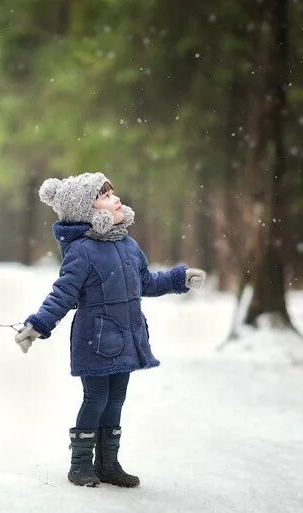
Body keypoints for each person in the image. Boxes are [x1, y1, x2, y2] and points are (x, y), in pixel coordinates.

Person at [15, 172, 206, 488]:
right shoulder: (82, 251)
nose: (116, 199)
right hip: (96, 340)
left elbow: (146, 282)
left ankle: (108, 464)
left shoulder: (129, 245)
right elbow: (63, 293)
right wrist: (39, 325)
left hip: (126, 338)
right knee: (96, 399)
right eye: (105, 196)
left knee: (116, 399)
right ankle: (80, 465)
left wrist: (177, 279)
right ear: (88, 212)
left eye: (113, 193)